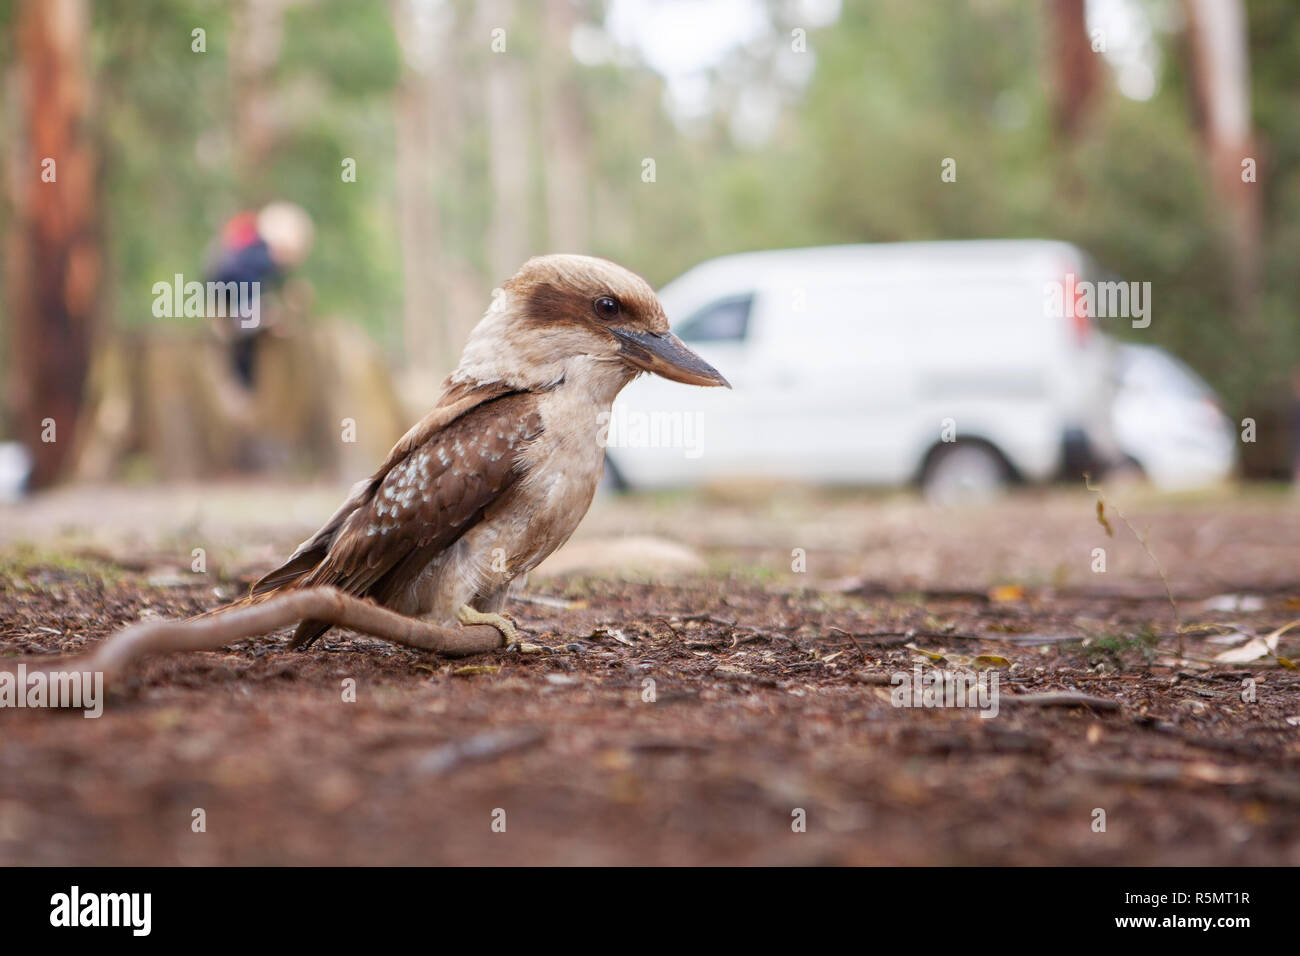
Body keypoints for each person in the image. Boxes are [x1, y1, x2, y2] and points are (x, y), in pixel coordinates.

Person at [205, 202, 314, 389]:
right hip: (239, 300)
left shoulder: (250, 252)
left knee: (247, 336)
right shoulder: (258, 255)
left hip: (231, 296)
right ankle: (243, 382)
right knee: (248, 338)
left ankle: (241, 380)